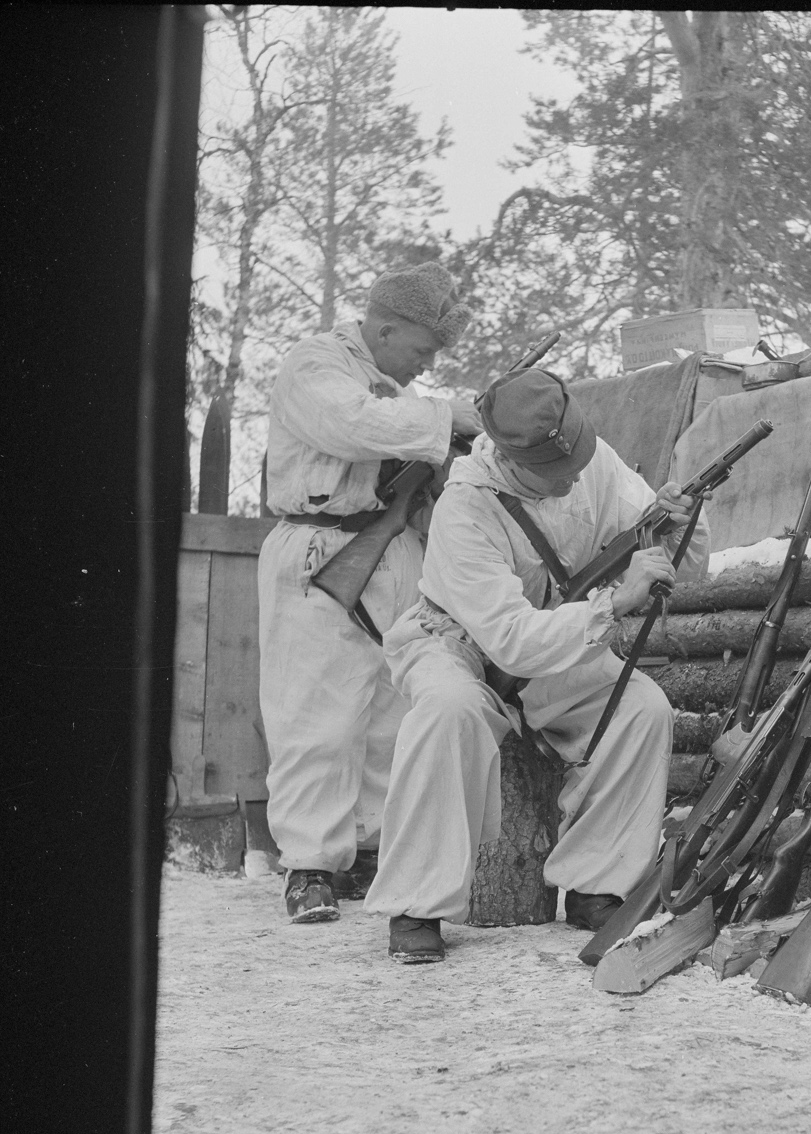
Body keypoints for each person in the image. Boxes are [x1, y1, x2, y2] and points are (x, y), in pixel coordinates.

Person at [364, 367, 709, 963]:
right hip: (459, 641)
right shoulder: (465, 505)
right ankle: (416, 904)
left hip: (561, 638)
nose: (574, 478)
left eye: (575, 464)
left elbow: (677, 560)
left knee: (642, 709)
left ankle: (596, 884)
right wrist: (617, 602)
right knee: (449, 710)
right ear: (509, 457)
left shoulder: (588, 458)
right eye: (556, 474)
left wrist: (675, 521)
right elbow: (510, 640)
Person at [258, 260, 483, 924]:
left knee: (393, 711)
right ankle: (308, 866)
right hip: (319, 546)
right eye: (420, 350)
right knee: (315, 712)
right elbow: (351, 424)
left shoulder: (393, 386)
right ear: (385, 328)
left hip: (393, 551)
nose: (423, 366)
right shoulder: (315, 364)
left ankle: (371, 852)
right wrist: (449, 416)